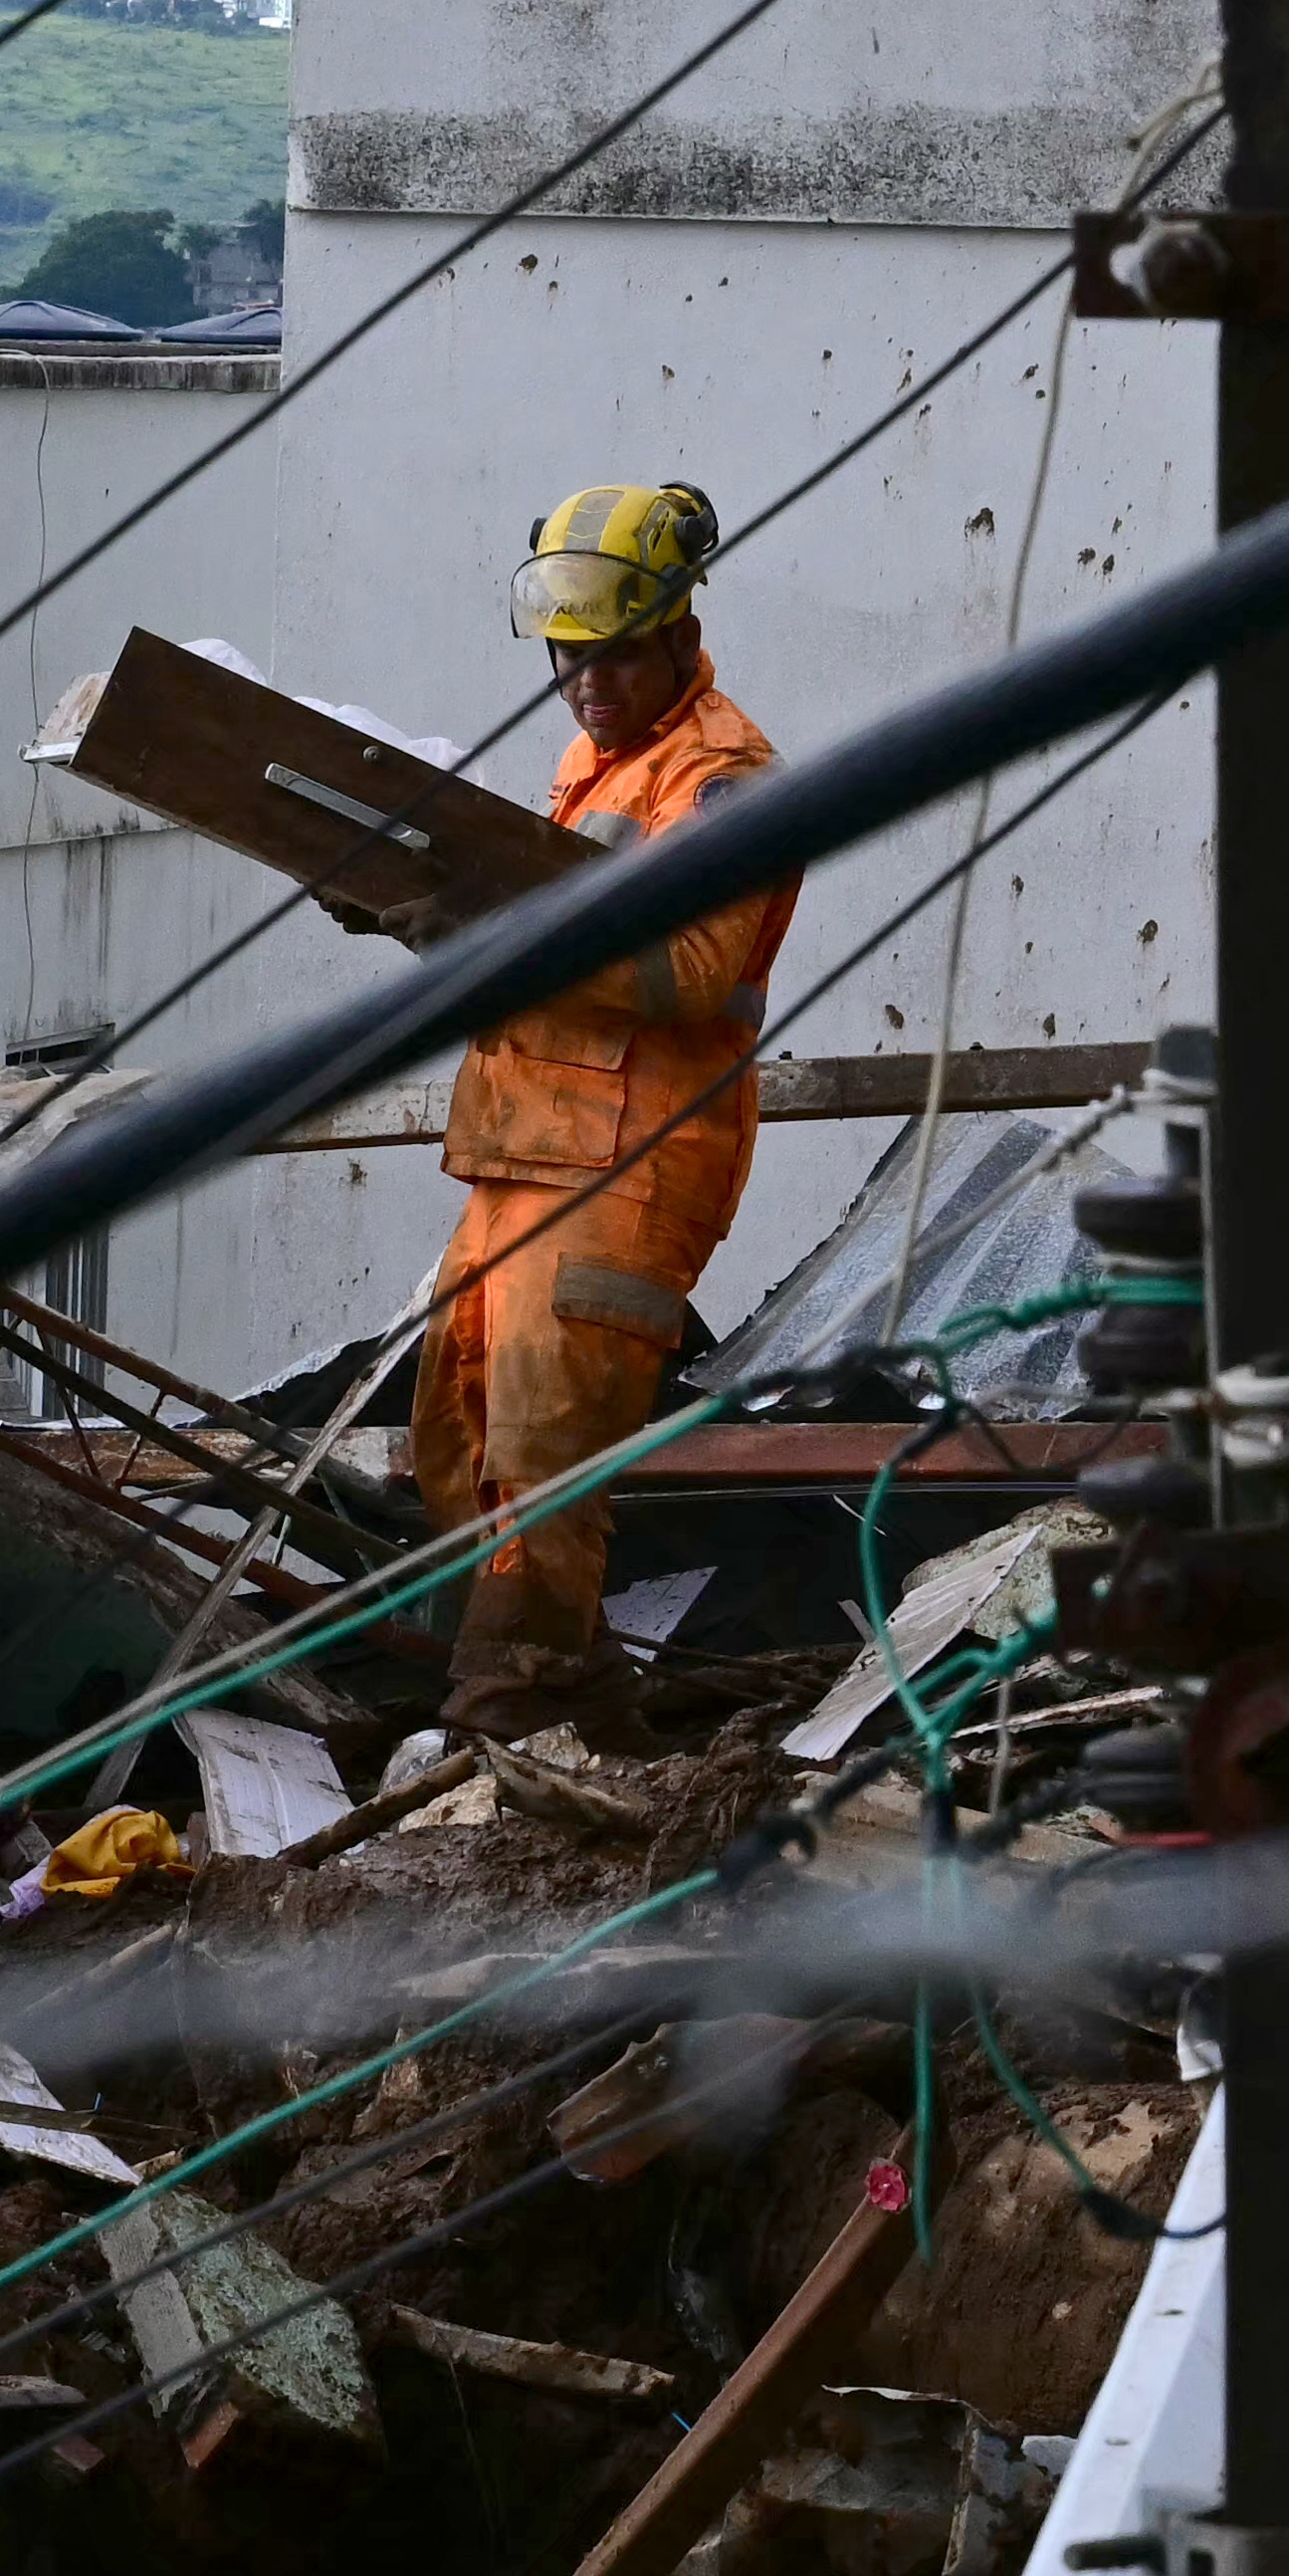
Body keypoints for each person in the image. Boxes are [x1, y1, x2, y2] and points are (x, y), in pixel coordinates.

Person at [424, 479, 795, 1729]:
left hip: (627, 1164)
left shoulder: (726, 774)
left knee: (541, 1458)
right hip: (526, 1146)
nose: (587, 682)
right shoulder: (596, 762)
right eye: (567, 657)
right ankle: (581, 1700)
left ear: (682, 633)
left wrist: (487, 919)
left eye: (616, 656)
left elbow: (683, 969)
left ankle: (509, 1709)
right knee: (461, 1431)